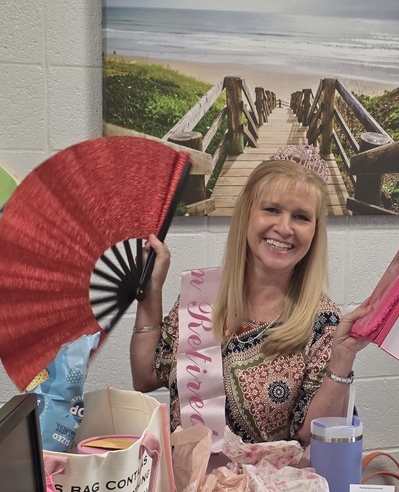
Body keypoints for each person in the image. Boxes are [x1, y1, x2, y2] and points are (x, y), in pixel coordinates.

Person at [130, 144, 370, 447]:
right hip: (190, 485)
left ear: (315, 231)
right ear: (247, 214)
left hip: (267, 490)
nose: (284, 228)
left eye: (301, 217)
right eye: (271, 209)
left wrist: (342, 359)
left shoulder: (323, 322)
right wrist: (150, 291)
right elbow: (146, 376)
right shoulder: (203, 296)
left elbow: (313, 436)